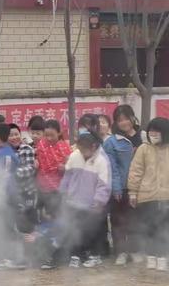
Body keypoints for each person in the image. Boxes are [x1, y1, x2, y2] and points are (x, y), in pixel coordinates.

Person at [59, 133, 111, 268]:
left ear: (93, 147)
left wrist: (99, 202)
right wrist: (63, 193)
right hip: (74, 201)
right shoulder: (75, 155)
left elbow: (104, 184)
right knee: (75, 230)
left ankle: (95, 255)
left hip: (92, 204)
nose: (82, 153)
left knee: (93, 231)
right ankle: (77, 255)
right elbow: (67, 177)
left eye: (84, 151)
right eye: (80, 150)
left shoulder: (102, 160)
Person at [128, 117, 169, 271]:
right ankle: (151, 256)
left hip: (167, 197)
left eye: (156, 131)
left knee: (165, 228)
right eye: (151, 130)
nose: (153, 134)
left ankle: (163, 256)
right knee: (150, 227)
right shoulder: (143, 149)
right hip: (147, 196)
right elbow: (136, 171)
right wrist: (133, 192)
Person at [103, 112, 137, 265]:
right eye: (119, 120)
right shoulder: (111, 141)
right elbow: (112, 167)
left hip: (139, 187)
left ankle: (134, 250)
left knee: (135, 221)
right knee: (118, 221)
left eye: (126, 118)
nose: (124, 122)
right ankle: (121, 252)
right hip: (121, 188)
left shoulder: (143, 136)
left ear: (132, 118)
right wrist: (116, 188)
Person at [0, 123, 22, 269]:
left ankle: (13, 259)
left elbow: (5, 178)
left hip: (6, 197)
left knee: (8, 227)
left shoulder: (8, 155)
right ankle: (0, 256)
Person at [36, 119, 71, 217]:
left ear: (59, 133)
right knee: (45, 215)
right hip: (43, 186)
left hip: (58, 188)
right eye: (46, 135)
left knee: (57, 215)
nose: (49, 138)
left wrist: (65, 167)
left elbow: (71, 167)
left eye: (52, 135)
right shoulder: (41, 145)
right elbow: (38, 159)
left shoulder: (64, 147)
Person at [8, 123, 38, 233]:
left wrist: (14, 173)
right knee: (13, 223)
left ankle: (30, 247)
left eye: (16, 134)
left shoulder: (27, 148)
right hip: (12, 194)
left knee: (28, 224)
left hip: (27, 192)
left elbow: (31, 169)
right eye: (11, 135)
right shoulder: (6, 150)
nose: (14, 137)